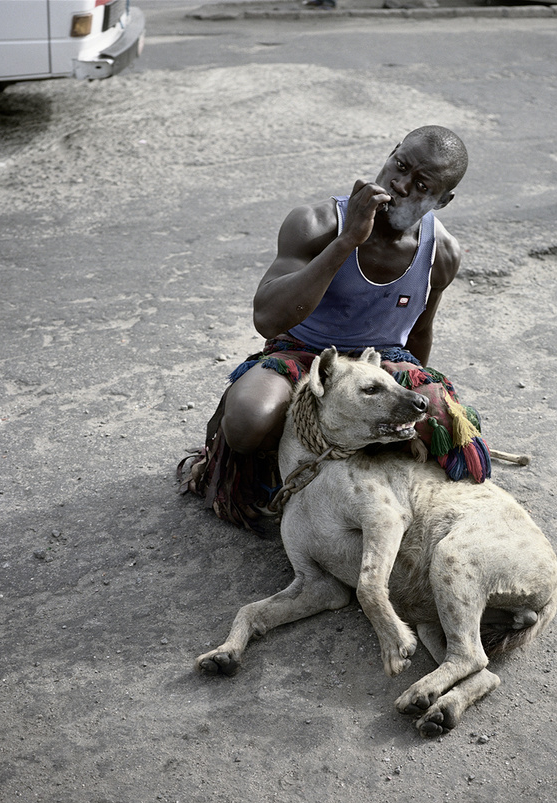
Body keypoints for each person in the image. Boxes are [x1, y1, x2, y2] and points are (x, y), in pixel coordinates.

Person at [179, 126, 490, 530]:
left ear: (442, 201)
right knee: (248, 420)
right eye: (399, 166)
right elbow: (267, 320)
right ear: (392, 152)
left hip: (383, 361)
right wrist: (346, 242)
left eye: (420, 185)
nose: (398, 184)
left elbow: (418, 333)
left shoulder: (442, 252)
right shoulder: (315, 223)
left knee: (447, 427)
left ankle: (381, 503)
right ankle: (277, 482)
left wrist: (403, 396)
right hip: (301, 350)